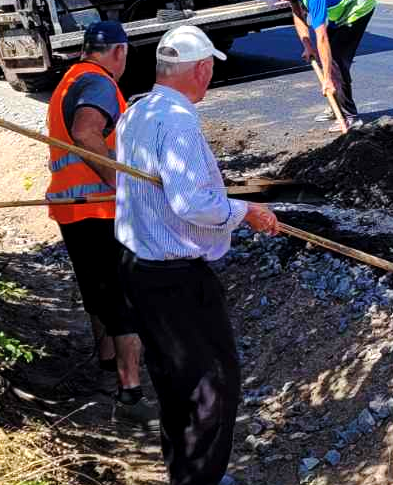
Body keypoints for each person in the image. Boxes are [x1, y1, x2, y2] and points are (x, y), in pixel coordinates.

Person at [115, 24, 280, 485]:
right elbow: (193, 205)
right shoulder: (179, 121)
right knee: (212, 381)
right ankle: (199, 479)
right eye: (210, 69)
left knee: (172, 376)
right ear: (201, 69)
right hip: (175, 278)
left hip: (138, 268)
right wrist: (246, 212)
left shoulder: (137, 111)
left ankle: (184, 470)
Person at [44, 20, 157, 427]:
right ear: (120, 51)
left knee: (99, 293)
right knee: (124, 300)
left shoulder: (70, 79)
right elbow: (86, 132)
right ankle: (130, 395)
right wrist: (119, 181)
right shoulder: (99, 83)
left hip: (73, 207)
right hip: (99, 207)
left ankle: (108, 368)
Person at [256, 0, 378, 131]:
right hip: (339, 12)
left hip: (357, 7)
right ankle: (336, 103)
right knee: (329, 58)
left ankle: (350, 116)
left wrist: (327, 78)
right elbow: (297, 13)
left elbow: (321, 36)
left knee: (335, 59)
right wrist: (307, 46)